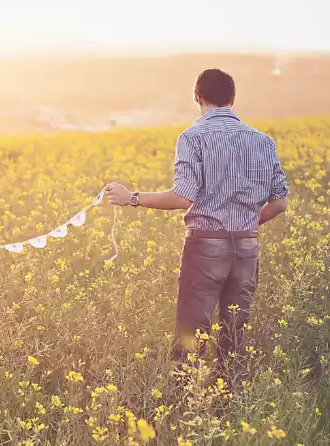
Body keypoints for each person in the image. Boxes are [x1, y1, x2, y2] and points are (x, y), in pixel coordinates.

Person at [106, 68, 289, 384]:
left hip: (206, 247)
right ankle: (229, 405)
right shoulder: (263, 141)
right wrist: (245, 224)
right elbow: (280, 202)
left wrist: (131, 197)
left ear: (198, 97)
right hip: (247, 247)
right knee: (234, 339)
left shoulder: (193, 137)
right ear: (232, 98)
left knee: (192, 338)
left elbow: (183, 196)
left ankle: (185, 404)